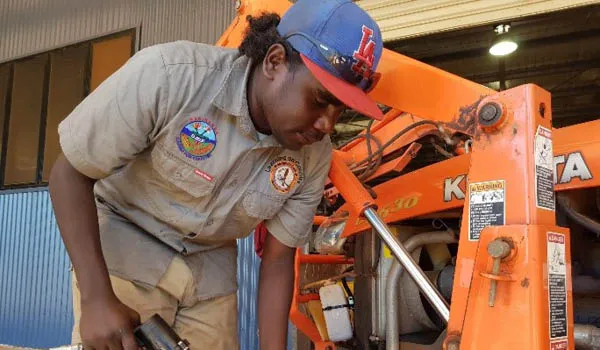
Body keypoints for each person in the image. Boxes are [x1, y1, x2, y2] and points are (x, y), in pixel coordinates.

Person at [48, 0, 383, 349]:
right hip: (127, 243)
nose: (327, 124)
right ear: (275, 62)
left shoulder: (313, 156)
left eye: (339, 110)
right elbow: (69, 173)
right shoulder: (170, 76)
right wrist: (96, 299)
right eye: (319, 99)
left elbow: (279, 259)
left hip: (209, 272)